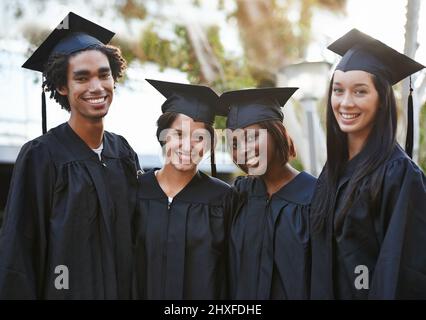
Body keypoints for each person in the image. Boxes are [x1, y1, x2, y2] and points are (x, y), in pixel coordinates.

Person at [0, 12, 141, 299]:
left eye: (104, 74)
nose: (96, 87)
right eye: (82, 77)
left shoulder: (123, 153)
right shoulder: (41, 156)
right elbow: (19, 251)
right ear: (62, 86)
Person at [310, 28, 426, 299]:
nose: (345, 102)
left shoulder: (399, 176)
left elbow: (401, 274)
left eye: (360, 92)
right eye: (338, 91)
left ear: (382, 100)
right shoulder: (332, 173)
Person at [133, 79, 237, 299]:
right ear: (163, 135)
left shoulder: (223, 199)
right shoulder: (134, 192)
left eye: (199, 138)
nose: (188, 146)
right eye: (179, 134)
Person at [222, 88, 317, 299]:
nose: (243, 150)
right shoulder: (239, 196)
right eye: (235, 143)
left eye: (252, 137)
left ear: (276, 133)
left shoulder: (316, 198)